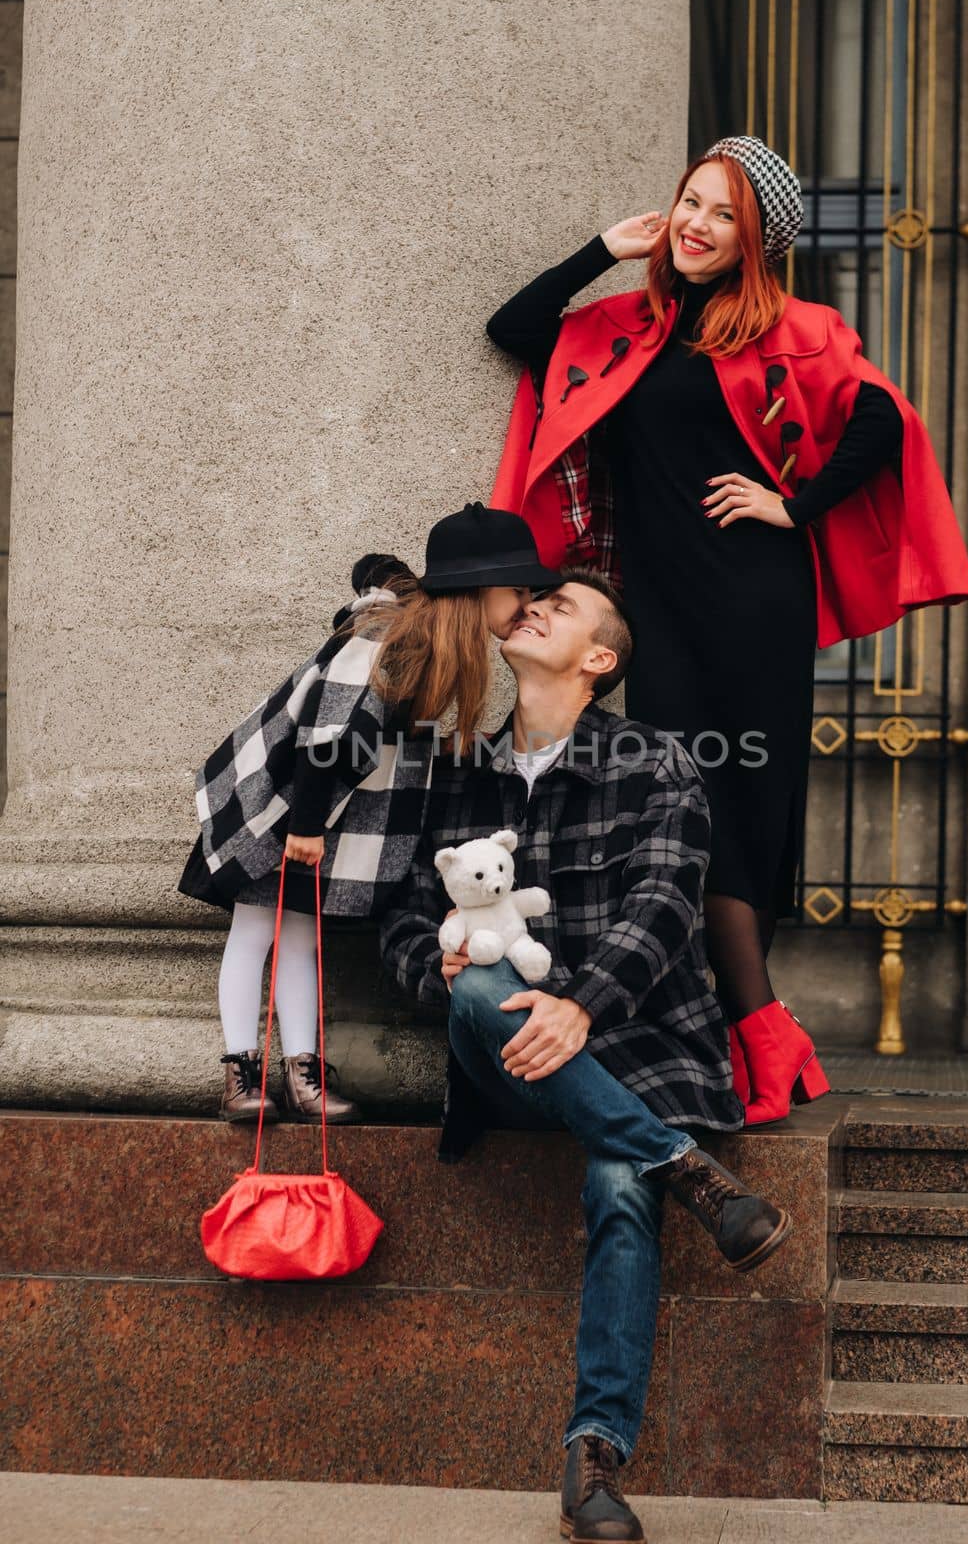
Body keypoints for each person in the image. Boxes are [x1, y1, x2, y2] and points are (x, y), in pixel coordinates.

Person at [484, 134, 968, 1126]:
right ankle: (764, 1035)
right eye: (690, 202)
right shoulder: (626, 323)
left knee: (735, 813)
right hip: (656, 609)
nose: (698, 225)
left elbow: (882, 424)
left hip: (752, 601)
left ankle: (752, 1039)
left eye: (723, 215)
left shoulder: (791, 330)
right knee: (686, 812)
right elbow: (515, 327)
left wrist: (791, 508)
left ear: (756, 240)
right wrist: (605, 249)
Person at [379, 566, 792, 1544]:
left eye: (558, 608)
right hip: (501, 1051)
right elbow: (397, 916)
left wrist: (579, 1005)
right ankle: (689, 1170)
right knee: (479, 985)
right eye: (533, 602)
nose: (531, 609)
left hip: (641, 1047)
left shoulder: (656, 761)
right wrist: (430, 964)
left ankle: (592, 1459)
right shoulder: (458, 773)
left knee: (617, 1188)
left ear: (597, 659)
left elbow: (660, 909)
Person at [178, 503, 561, 1122]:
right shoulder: (390, 641)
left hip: (323, 823)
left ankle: (302, 1072)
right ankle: (240, 1071)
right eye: (516, 589)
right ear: (477, 588)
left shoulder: (435, 652)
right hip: (284, 812)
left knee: (301, 943)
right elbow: (327, 741)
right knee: (253, 933)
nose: (525, 604)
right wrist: (302, 827)